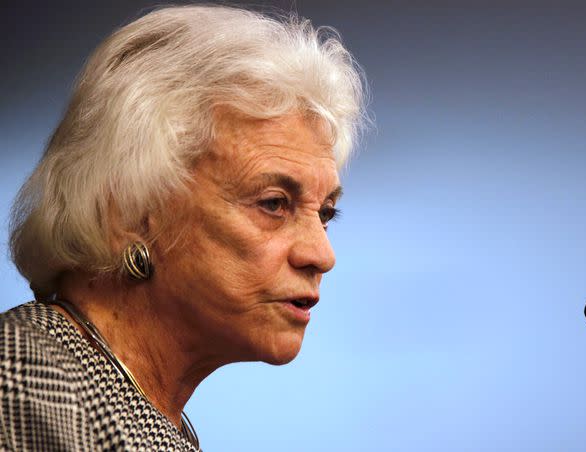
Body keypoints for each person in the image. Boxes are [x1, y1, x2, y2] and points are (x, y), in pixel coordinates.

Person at [0, 4, 365, 450]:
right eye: (273, 203)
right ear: (129, 213)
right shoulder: (24, 378)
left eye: (325, 213)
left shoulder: (140, 409)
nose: (322, 254)